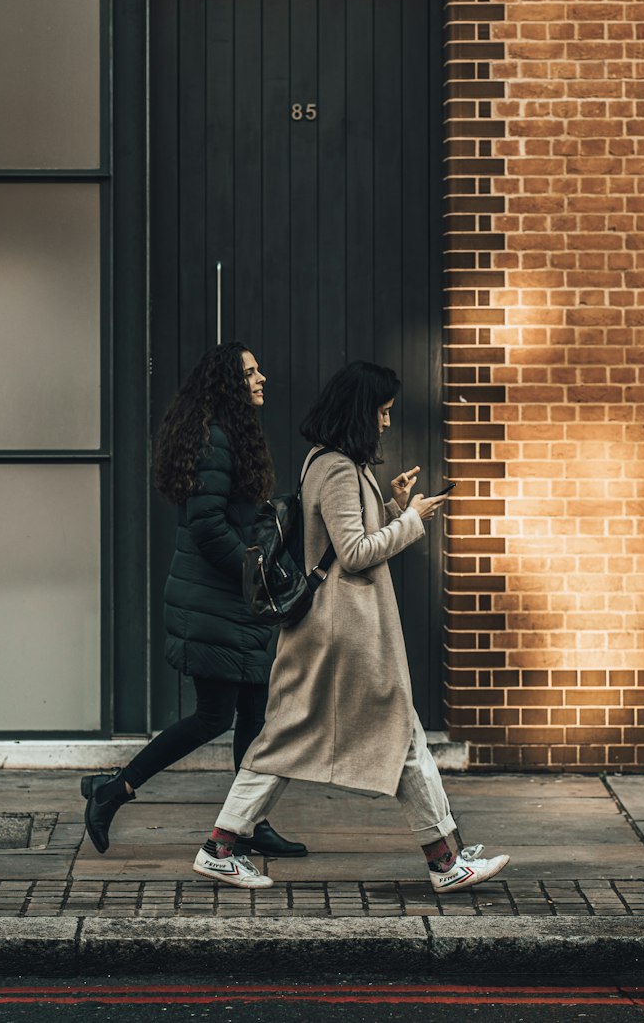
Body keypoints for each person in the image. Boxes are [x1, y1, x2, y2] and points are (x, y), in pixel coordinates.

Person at [190, 360, 510, 892]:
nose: (387, 423)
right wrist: (412, 522)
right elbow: (354, 553)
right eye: (383, 413)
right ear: (361, 412)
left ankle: (221, 846)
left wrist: (393, 504)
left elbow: (345, 539)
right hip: (343, 632)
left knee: (303, 737)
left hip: (338, 628)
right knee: (396, 736)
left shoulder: (336, 462)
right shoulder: (336, 468)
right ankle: (445, 860)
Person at [81, 341, 307, 860]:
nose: (262, 378)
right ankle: (114, 790)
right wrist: (258, 574)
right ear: (229, 382)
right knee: (213, 717)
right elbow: (207, 527)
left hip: (230, 604)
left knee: (252, 716)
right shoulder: (216, 440)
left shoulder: (229, 435)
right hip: (216, 603)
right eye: (251, 372)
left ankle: (249, 822)